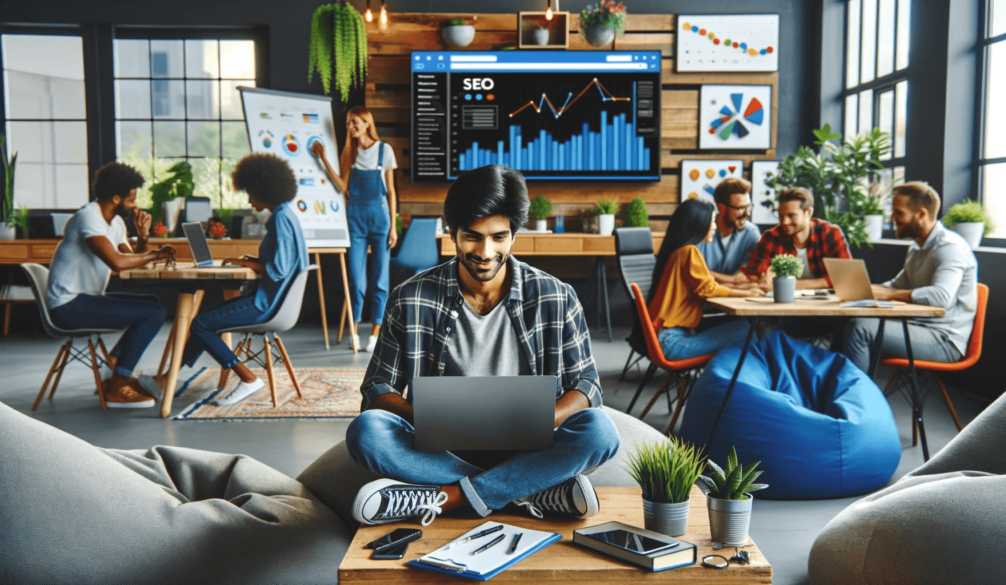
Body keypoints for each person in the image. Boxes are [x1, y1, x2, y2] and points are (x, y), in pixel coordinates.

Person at [345, 165, 620, 527]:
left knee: (600, 430)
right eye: (472, 237)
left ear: (513, 236)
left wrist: (544, 418)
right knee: (366, 432)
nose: (486, 252)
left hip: (530, 444)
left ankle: (449, 497)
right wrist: (430, 419)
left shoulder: (556, 296)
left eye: (499, 237)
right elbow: (377, 388)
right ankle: (527, 491)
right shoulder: (410, 298)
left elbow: (586, 386)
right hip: (441, 446)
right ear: (452, 233)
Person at [181, 153, 308, 405]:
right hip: (274, 300)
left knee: (200, 324)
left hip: (266, 304)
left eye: (251, 193)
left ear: (265, 190)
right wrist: (249, 259)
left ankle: (248, 378)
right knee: (205, 318)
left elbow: (279, 269)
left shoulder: (280, 219)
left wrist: (245, 262)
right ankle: (169, 375)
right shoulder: (287, 214)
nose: (249, 200)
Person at [46, 162, 176, 408]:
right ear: (116, 198)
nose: (135, 205)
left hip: (86, 300)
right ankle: (117, 386)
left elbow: (132, 258)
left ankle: (114, 364)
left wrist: (144, 236)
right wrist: (156, 254)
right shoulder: (88, 217)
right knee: (155, 313)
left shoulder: (115, 223)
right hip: (68, 307)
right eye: (131, 199)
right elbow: (116, 262)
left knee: (153, 305)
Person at [842, 182, 977, 373]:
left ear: (921, 213)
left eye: (898, 213)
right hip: (917, 327)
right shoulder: (916, 247)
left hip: (944, 339)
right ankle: (830, 393)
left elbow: (941, 297)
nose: (892, 218)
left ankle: (857, 401)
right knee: (846, 319)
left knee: (861, 329)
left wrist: (888, 295)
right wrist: (866, 290)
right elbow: (896, 285)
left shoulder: (949, 247)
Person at [312, 107, 398, 354]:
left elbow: (391, 191)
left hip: (380, 218)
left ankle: (375, 334)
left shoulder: (385, 150)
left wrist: (393, 226)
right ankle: (354, 331)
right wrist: (324, 159)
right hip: (355, 219)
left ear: (367, 123)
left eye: (355, 122)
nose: (351, 127)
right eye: (349, 122)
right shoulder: (349, 153)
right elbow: (342, 187)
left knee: (380, 280)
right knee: (356, 281)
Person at [647, 198, 764, 361]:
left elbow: (707, 284)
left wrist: (744, 289)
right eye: (712, 221)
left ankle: (731, 380)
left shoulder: (678, 251)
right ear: (698, 223)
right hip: (672, 342)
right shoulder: (689, 251)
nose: (715, 226)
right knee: (746, 330)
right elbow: (708, 288)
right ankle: (736, 382)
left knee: (742, 328)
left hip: (667, 337)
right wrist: (745, 292)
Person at [743, 187, 851, 291]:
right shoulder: (771, 237)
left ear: (808, 212)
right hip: (782, 303)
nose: (784, 222)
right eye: (781, 216)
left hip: (825, 303)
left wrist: (788, 284)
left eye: (791, 216)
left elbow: (846, 276)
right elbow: (755, 275)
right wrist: (765, 278)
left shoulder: (830, 233)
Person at [697, 178, 762, 285]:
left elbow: (747, 278)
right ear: (722, 207)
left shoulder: (751, 233)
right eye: (741, 208)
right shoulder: (701, 232)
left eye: (749, 207)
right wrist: (734, 281)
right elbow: (695, 274)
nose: (748, 213)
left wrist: (709, 274)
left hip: (737, 299)